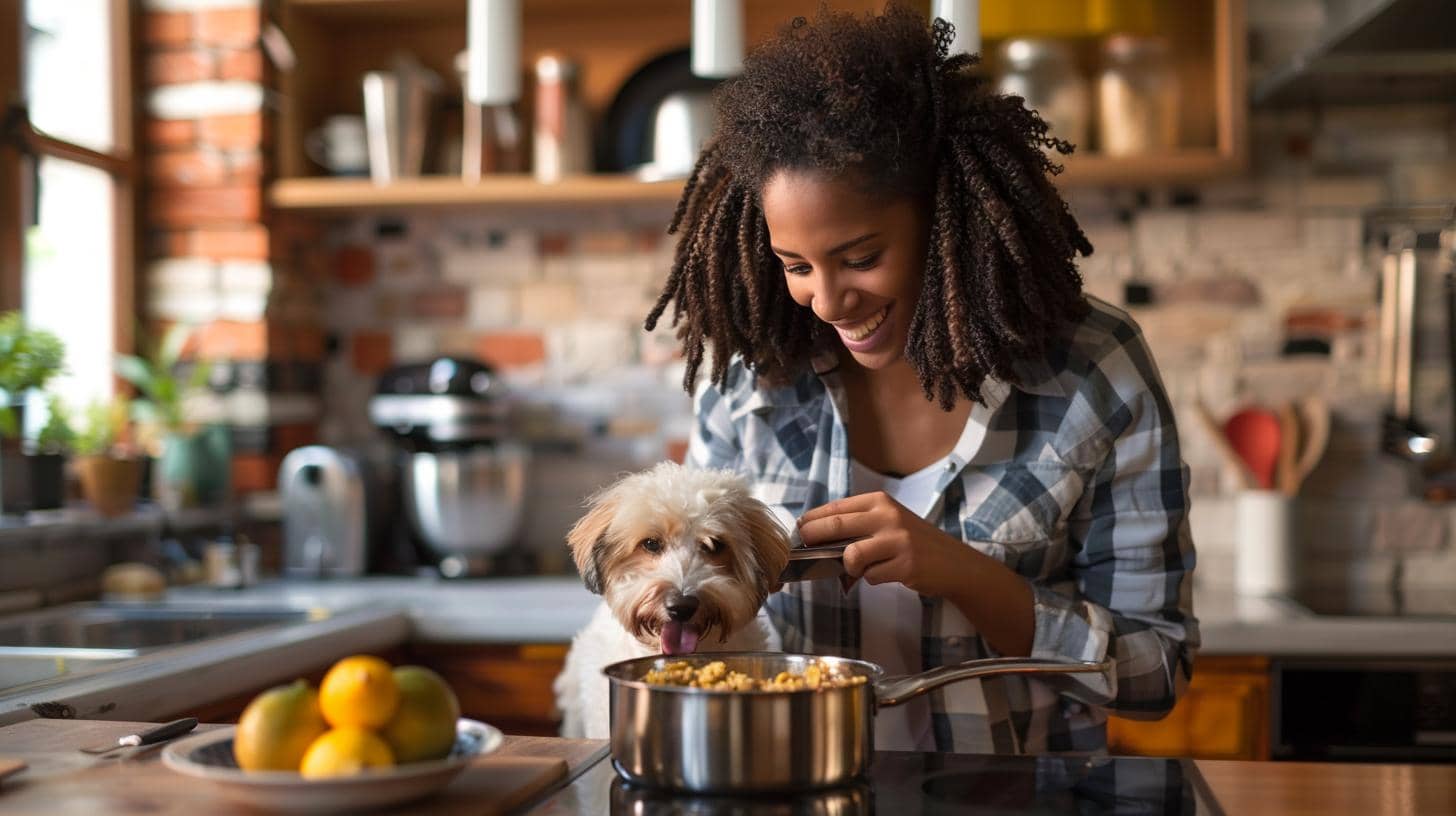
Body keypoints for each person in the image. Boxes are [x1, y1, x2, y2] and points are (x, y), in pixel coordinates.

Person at [645, 4, 1197, 755]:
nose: (828, 301)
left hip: (1019, 797)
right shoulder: (751, 380)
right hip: (794, 787)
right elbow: (698, 615)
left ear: (942, 218)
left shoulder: (1092, 374)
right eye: (796, 266)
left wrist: (964, 574)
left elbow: (1156, 672)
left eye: (861, 258)